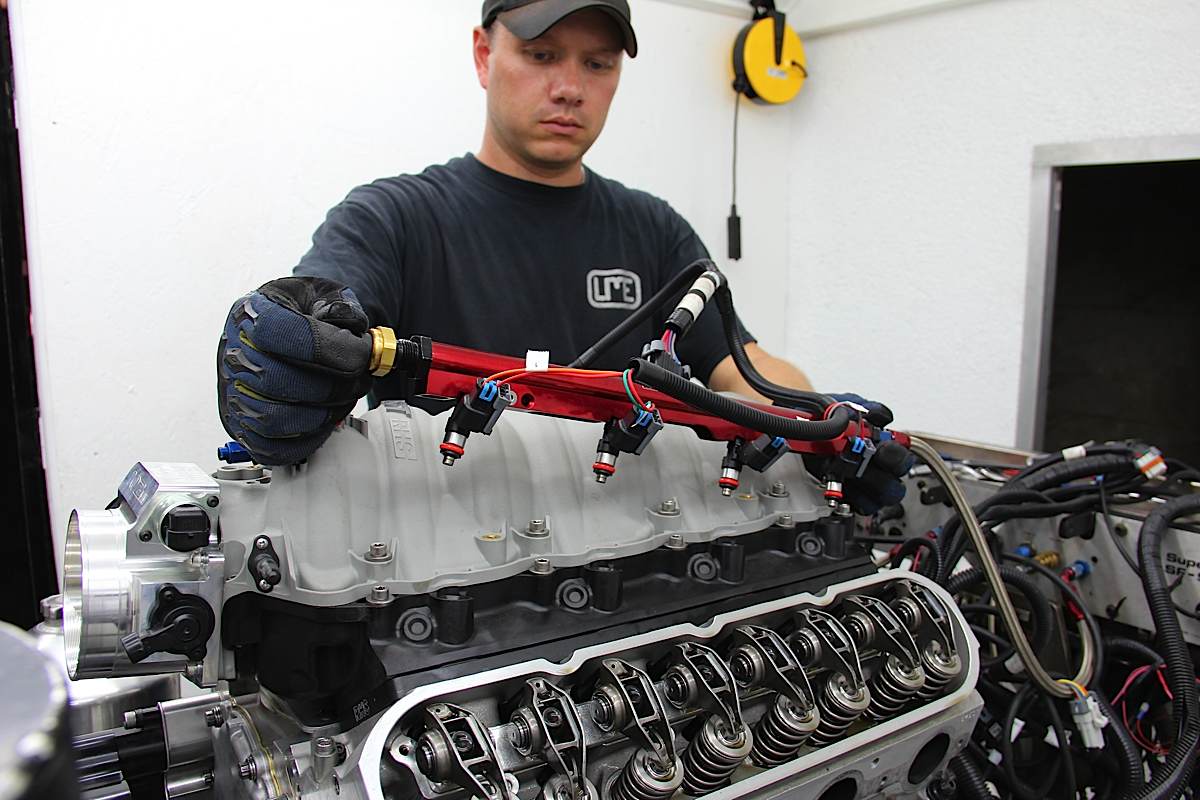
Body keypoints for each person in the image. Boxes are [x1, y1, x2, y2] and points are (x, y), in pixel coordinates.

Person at [217, 0, 906, 514]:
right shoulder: (394, 217)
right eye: (542, 55)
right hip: (438, 561)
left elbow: (743, 371)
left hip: (634, 557)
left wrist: (827, 420)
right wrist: (285, 354)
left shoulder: (654, 231)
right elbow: (321, 318)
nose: (570, 87)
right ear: (484, 55)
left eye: (597, 64)